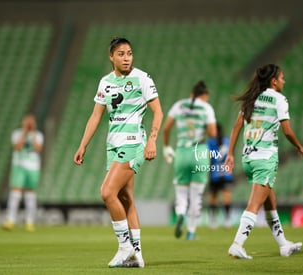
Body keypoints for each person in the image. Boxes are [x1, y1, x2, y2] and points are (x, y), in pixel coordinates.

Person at [73, 37, 163, 268]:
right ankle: (138, 256)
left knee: (106, 192)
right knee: (125, 198)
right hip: (113, 145)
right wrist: (83, 145)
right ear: (111, 57)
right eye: (121, 54)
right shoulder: (105, 82)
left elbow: (158, 112)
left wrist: (152, 141)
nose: (126, 58)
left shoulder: (142, 78)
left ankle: (125, 247)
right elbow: (96, 116)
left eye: (130, 53)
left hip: (133, 143)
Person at [225, 64, 303, 259]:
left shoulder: (252, 99)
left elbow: (236, 127)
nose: (284, 81)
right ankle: (237, 244)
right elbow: (287, 130)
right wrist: (298, 145)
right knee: (254, 205)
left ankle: (283, 245)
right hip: (265, 158)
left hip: (248, 158)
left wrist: (230, 154)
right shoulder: (279, 100)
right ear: (274, 81)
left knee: (270, 202)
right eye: (282, 78)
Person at [163, 80, 217, 240]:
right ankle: (191, 232)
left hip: (181, 152)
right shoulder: (206, 107)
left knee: (181, 192)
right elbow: (213, 133)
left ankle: (180, 213)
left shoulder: (179, 105)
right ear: (205, 95)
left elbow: (166, 128)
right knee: (196, 195)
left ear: (192, 94)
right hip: (199, 151)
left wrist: (166, 146)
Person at [3, 114, 44, 232]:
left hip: (33, 167)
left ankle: (29, 222)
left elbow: (38, 148)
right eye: (27, 122)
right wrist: (25, 132)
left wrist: (33, 133)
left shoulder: (39, 135)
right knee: (15, 192)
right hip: (19, 166)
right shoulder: (17, 133)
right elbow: (17, 146)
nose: (29, 124)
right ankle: (10, 220)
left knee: (30, 194)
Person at [207, 123, 234, 228]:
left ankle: (213, 221)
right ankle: (227, 220)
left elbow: (207, 157)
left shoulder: (210, 142)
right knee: (226, 197)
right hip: (226, 173)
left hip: (214, 173)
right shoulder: (227, 141)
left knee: (213, 198)